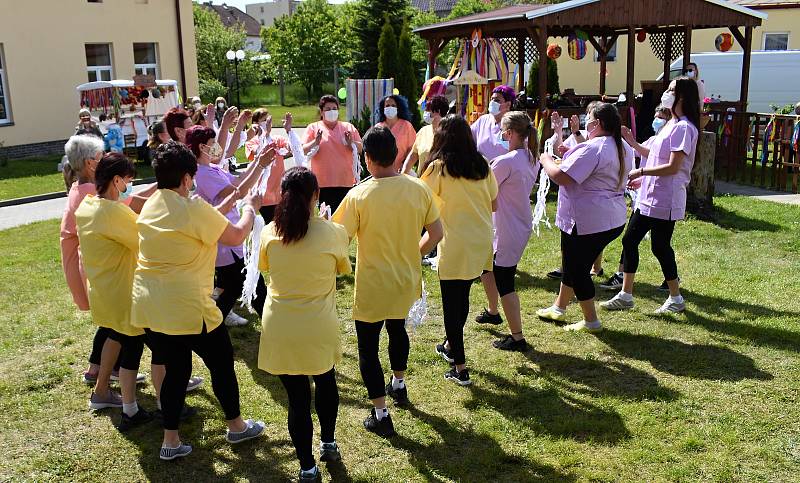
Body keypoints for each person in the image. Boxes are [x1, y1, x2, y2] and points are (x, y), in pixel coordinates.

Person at [131, 141, 266, 461]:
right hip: (188, 306)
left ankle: (171, 440)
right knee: (221, 362)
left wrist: (234, 196)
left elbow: (201, 224)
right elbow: (234, 235)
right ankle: (236, 425)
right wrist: (251, 208)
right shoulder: (192, 208)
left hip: (151, 305)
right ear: (187, 178)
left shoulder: (152, 204)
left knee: (176, 371)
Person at [333, 125, 443, 436]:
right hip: (405, 280)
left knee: (368, 348)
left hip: (372, 285)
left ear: (367, 158)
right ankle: (399, 382)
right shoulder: (418, 188)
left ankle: (381, 415)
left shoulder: (359, 195)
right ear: (396, 154)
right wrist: (414, 255)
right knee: (397, 330)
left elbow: (337, 238)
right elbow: (436, 234)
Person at [258, 167, 351, 482]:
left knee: (297, 399)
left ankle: (307, 467)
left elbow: (266, 266)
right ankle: (328, 442)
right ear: (316, 196)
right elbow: (342, 269)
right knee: (325, 382)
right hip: (317, 325)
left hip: (280, 324)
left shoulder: (270, 232)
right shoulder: (333, 232)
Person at [75, 153, 166, 430]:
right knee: (136, 348)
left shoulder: (88, 206)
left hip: (104, 289)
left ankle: (102, 393)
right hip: (124, 291)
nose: (130, 185)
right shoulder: (114, 213)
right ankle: (131, 410)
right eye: (128, 180)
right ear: (116, 180)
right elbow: (146, 239)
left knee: (115, 338)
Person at [600, 78, 700, 314]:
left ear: (683, 97)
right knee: (630, 241)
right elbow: (656, 156)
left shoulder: (685, 128)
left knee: (660, 247)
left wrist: (642, 171)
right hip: (649, 196)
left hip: (666, 198)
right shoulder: (672, 124)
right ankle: (626, 294)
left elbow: (673, 167)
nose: (666, 93)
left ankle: (675, 297)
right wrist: (636, 154)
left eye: (671, 90)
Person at [535, 103, 633, 333]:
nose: (585, 122)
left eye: (588, 118)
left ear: (597, 123)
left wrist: (545, 160)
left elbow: (562, 177)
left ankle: (591, 321)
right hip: (609, 217)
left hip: (588, 220)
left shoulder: (595, 147)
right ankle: (559, 307)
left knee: (578, 270)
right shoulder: (622, 146)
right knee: (571, 262)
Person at [421, 115, 497, 386]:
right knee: (461, 297)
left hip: (454, 243)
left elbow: (421, 204)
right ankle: (452, 348)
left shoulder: (437, 168)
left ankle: (460, 368)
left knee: (451, 305)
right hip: (481, 240)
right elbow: (494, 203)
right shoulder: (483, 165)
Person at [186, 125, 274, 327]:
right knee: (252, 286)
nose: (217, 146)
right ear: (201, 146)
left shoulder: (212, 168)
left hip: (231, 241)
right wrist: (259, 165)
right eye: (212, 143)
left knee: (233, 288)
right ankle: (274, 327)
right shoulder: (202, 173)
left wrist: (258, 162)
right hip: (226, 244)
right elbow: (238, 192)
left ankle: (210, 324)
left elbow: (240, 181)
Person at [474, 111, 539, 351]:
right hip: (515, 224)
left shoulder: (507, 161)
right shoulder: (531, 157)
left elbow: (484, 189)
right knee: (486, 267)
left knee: (505, 281)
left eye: (502, 130)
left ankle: (518, 336)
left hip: (507, 228)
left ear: (510, 133)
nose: (500, 135)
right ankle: (493, 311)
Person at [600, 105, 673, 291]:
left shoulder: (669, 140)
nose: (657, 120)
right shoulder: (654, 139)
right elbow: (645, 155)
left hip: (660, 200)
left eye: (661, 117)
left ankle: (673, 282)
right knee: (631, 240)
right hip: (644, 197)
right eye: (655, 116)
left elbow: (655, 158)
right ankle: (623, 280)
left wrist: (631, 141)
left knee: (659, 246)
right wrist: (642, 180)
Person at [303, 95, 363, 212]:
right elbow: (302, 150)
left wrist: (351, 142)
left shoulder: (348, 127)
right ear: (321, 112)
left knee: (345, 217)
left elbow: (360, 148)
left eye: (334, 108)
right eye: (328, 109)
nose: (332, 111)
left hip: (345, 182)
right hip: (323, 183)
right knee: (327, 218)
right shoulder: (313, 128)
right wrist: (315, 142)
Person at [245, 110, 293, 223]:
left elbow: (292, 148)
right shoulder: (251, 142)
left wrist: (288, 130)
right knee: (270, 225)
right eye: (264, 120)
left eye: (268, 120)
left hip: (280, 192)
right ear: (256, 123)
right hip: (264, 194)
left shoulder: (278, 139)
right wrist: (266, 135)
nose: (267, 123)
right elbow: (259, 152)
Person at [402, 94, 449, 176]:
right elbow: (413, 155)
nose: (425, 113)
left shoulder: (450, 132)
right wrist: (403, 173)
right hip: (423, 183)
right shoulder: (423, 131)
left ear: (437, 111)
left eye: (428, 110)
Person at [470, 85, 515, 161]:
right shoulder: (483, 120)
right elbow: (468, 138)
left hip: (504, 170)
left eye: (497, 100)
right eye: (492, 99)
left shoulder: (514, 124)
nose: (492, 102)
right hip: (483, 170)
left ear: (508, 104)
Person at [375, 94, 416, 171]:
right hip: (382, 172)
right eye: (387, 105)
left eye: (393, 105)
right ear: (382, 109)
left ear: (398, 108)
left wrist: (405, 165)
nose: (390, 107)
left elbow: (413, 148)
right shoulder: (378, 127)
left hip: (403, 170)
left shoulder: (406, 125)